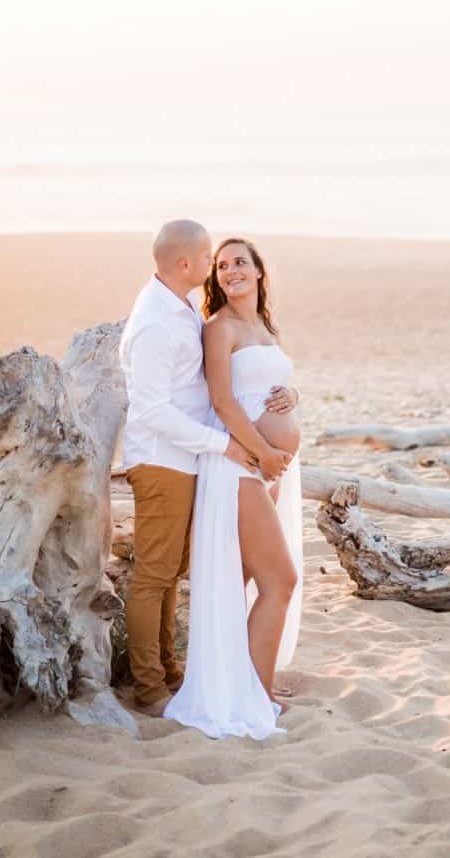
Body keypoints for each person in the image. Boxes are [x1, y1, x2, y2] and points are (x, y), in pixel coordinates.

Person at [116, 220, 294, 715]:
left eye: (235, 261)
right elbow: (153, 410)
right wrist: (230, 446)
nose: (217, 268)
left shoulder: (181, 308)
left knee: (173, 571)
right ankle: (150, 688)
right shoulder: (156, 322)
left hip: (195, 458)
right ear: (186, 264)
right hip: (164, 459)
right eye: (211, 260)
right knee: (154, 575)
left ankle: (173, 672)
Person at [163, 236, 305, 740]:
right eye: (221, 266)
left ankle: (246, 683)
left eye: (240, 263)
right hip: (240, 466)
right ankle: (255, 696)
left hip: (268, 473)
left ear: (260, 272)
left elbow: (267, 386)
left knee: (241, 582)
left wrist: (291, 394)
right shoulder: (218, 329)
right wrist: (264, 454)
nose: (230, 271)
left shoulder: (264, 327)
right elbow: (223, 402)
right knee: (280, 582)